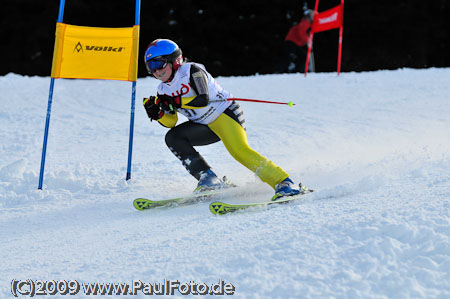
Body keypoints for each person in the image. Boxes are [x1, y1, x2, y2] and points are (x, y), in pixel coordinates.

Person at [143, 39, 303, 200]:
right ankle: (209, 179)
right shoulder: (162, 90)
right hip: (204, 125)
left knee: (240, 151)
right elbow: (171, 122)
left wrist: (176, 102)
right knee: (173, 137)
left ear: (174, 60)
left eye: (158, 64)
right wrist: (158, 114)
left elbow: (202, 99)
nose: (156, 71)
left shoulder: (192, 70)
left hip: (225, 114)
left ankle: (284, 182)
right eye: (150, 67)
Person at [275, 8, 314, 73]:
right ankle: (278, 71)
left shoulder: (306, 23)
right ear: (309, 16)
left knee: (302, 56)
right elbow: (301, 32)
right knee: (289, 57)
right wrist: (307, 41)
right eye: (313, 15)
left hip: (294, 43)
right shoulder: (305, 22)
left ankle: (298, 71)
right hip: (292, 42)